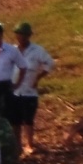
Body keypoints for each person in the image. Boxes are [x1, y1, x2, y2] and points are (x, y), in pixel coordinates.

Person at [10, 23, 54, 155]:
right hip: (14, 90)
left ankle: (29, 144)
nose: (21, 37)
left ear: (28, 36)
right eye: (19, 35)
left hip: (29, 90)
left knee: (28, 119)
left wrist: (38, 77)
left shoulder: (37, 50)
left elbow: (50, 63)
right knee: (15, 120)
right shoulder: (12, 50)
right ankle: (17, 144)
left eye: (23, 35)